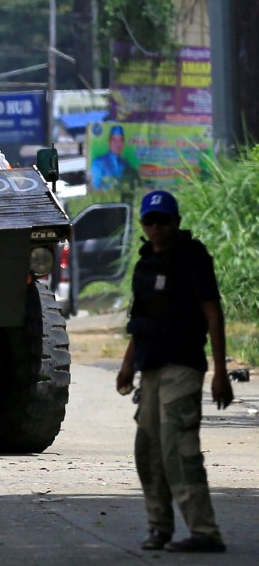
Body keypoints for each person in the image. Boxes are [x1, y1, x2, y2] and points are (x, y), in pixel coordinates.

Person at [116, 190, 233, 553]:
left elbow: (213, 313)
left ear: (176, 221)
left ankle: (204, 531)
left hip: (183, 365)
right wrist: (126, 365)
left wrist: (220, 372)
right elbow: (141, 320)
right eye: (149, 222)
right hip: (150, 367)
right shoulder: (144, 263)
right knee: (147, 449)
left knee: (178, 449)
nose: (155, 228)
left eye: (162, 221)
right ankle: (159, 527)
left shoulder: (193, 258)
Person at [90, 125, 136, 192]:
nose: (117, 144)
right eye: (114, 140)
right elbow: (95, 187)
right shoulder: (98, 162)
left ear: (123, 144)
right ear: (109, 142)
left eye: (120, 140)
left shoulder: (126, 164)